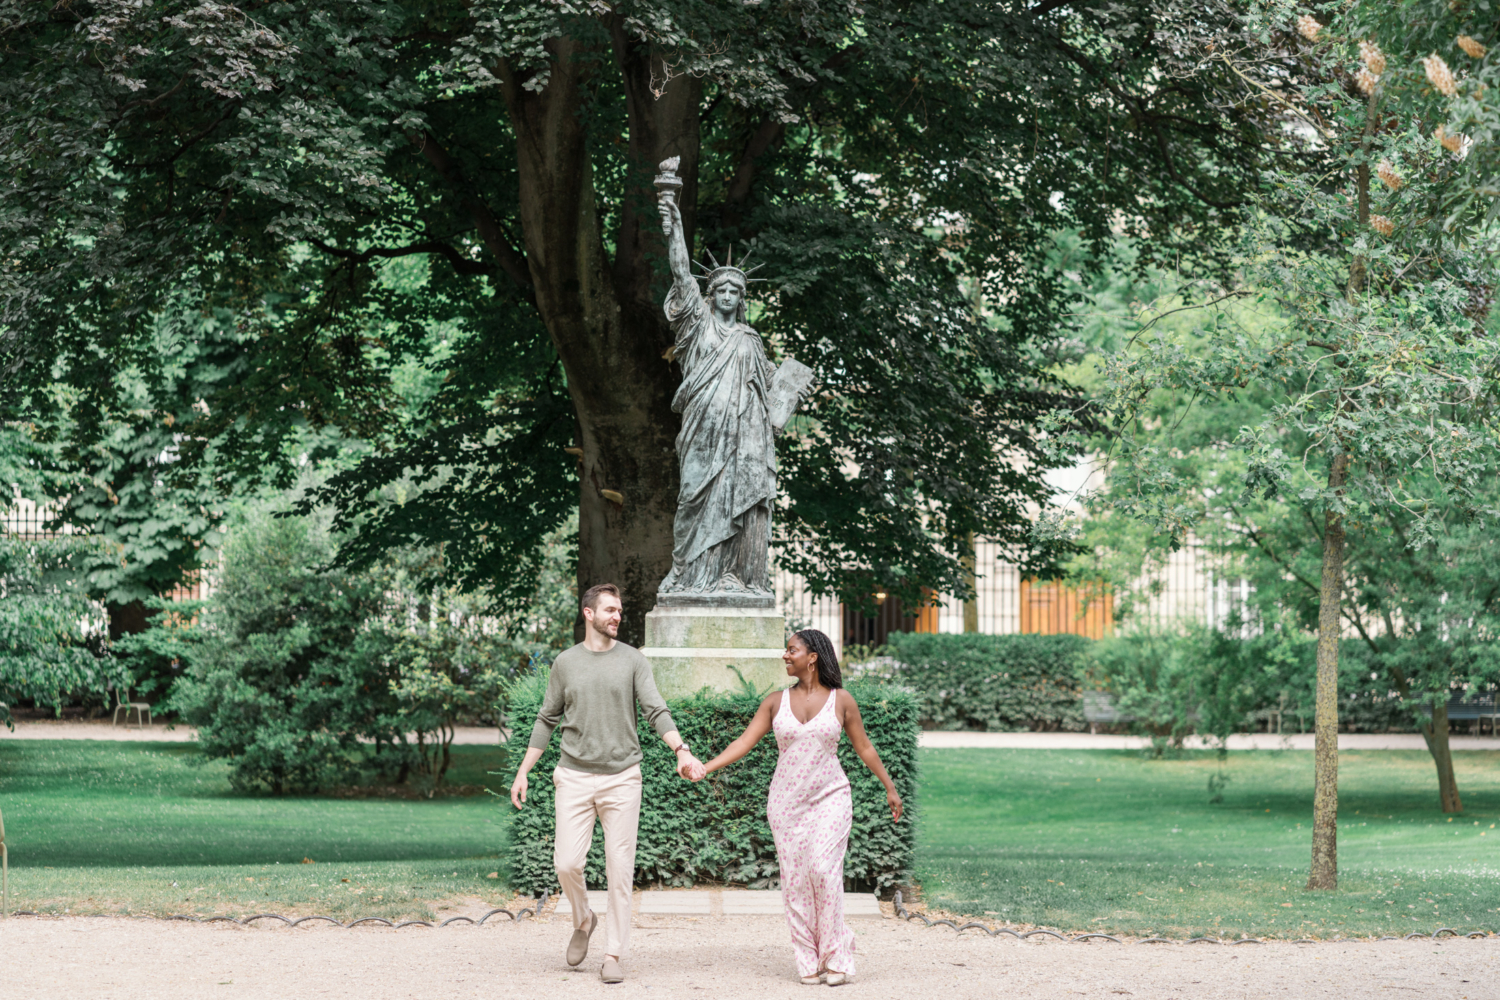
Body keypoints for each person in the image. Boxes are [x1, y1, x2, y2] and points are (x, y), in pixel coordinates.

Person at [510, 583, 704, 985]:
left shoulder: (633, 661)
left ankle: (613, 952)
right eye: (610, 610)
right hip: (574, 776)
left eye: (619, 611)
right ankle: (584, 919)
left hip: (622, 780)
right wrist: (524, 770)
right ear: (588, 613)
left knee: (619, 871)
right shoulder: (565, 663)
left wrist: (681, 750)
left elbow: (656, 710)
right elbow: (547, 718)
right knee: (567, 863)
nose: (617, 617)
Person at [690, 629, 903, 986]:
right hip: (786, 803)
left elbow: (864, 747)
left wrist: (890, 788)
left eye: (792, 650)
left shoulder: (841, 700)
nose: (785, 656)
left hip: (831, 796)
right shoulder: (775, 702)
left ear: (813, 656)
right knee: (796, 882)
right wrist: (705, 767)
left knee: (823, 870)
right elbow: (745, 741)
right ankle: (808, 958)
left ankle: (835, 955)